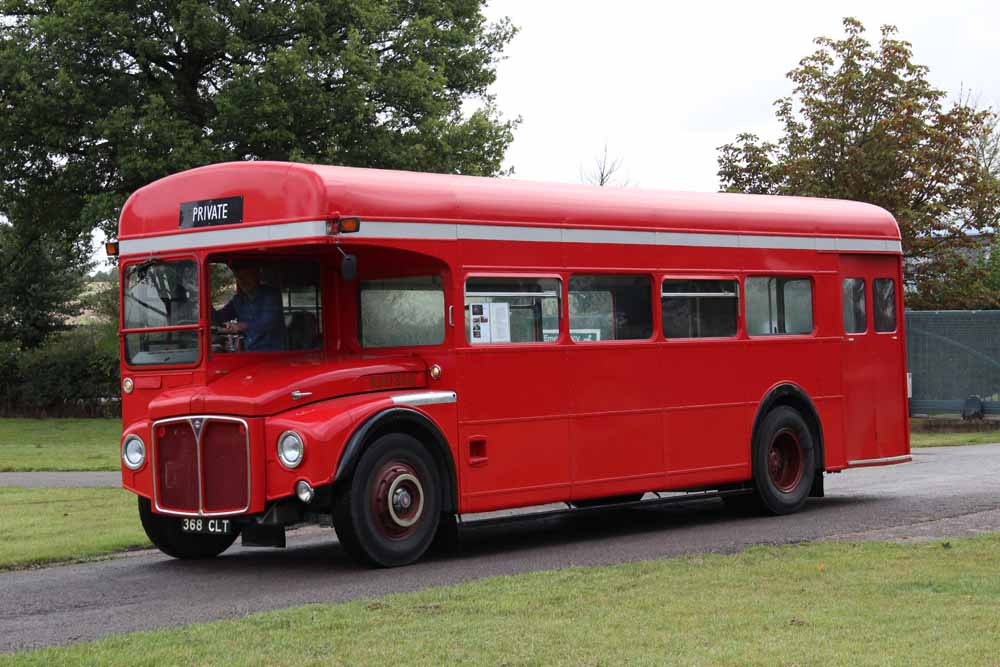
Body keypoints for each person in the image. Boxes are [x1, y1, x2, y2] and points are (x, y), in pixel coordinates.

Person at [212, 263, 287, 351]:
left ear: (256, 276)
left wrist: (241, 326)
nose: (243, 281)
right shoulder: (238, 299)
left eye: (246, 276)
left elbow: (268, 321)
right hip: (250, 352)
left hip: (273, 353)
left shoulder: (270, 295)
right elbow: (221, 317)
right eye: (239, 278)